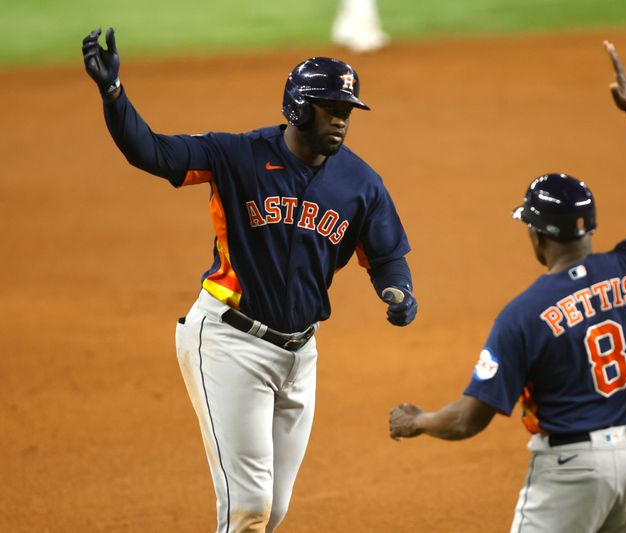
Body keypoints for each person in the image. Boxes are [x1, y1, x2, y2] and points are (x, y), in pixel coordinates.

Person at [82, 27, 417, 533]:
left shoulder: (361, 183)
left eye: (347, 109)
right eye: (332, 107)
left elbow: (388, 255)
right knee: (249, 509)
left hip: (300, 356)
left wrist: (399, 292)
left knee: (271, 509)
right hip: (229, 342)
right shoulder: (236, 155)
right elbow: (152, 153)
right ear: (300, 108)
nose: (343, 119)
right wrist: (113, 94)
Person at [389, 40, 626, 533]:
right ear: (588, 228)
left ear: (536, 235)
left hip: (570, 474)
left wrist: (416, 421)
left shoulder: (524, 314)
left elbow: (469, 420)